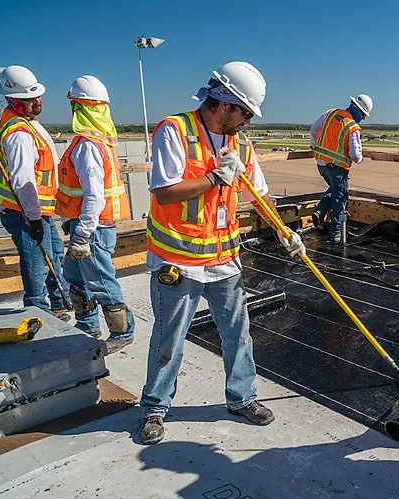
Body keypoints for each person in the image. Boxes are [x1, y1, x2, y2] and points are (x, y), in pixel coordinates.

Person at [139, 61, 306, 445]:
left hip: (223, 261)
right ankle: (154, 408)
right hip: (178, 260)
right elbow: (164, 191)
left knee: (239, 335)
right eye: (244, 112)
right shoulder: (175, 131)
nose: (247, 121)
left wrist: (284, 230)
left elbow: (260, 193)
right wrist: (214, 177)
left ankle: (242, 398)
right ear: (224, 104)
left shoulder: (240, 143)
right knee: (169, 340)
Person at [55, 75, 135, 353]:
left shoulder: (88, 145)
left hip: (91, 228)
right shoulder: (98, 142)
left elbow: (94, 195)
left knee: (100, 279)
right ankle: (87, 323)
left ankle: (122, 332)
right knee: (74, 276)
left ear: (78, 108)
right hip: (88, 226)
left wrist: (82, 234)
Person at [0, 65, 71, 318]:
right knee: (36, 262)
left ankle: (58, 303)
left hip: (37, 210)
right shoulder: (20, 134)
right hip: (24, 211)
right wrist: (34, 219)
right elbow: (23, 181)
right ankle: (38, 312)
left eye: (37, 96)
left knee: (54, 254)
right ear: (13, 100)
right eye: (28, 99)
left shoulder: (27, 122)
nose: (36, 102)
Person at [310, 94, 373, 243]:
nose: (363, 118)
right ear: (358, 110)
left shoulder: (330, 113)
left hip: (321, 164)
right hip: (337, 168)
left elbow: (313, 129)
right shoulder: (352, 127)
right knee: (340, 198)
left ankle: (320, 210)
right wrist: (361, 158)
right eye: (363, 115)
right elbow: (356, 156)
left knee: (334, 190)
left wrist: (315, 147)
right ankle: (336, 233)